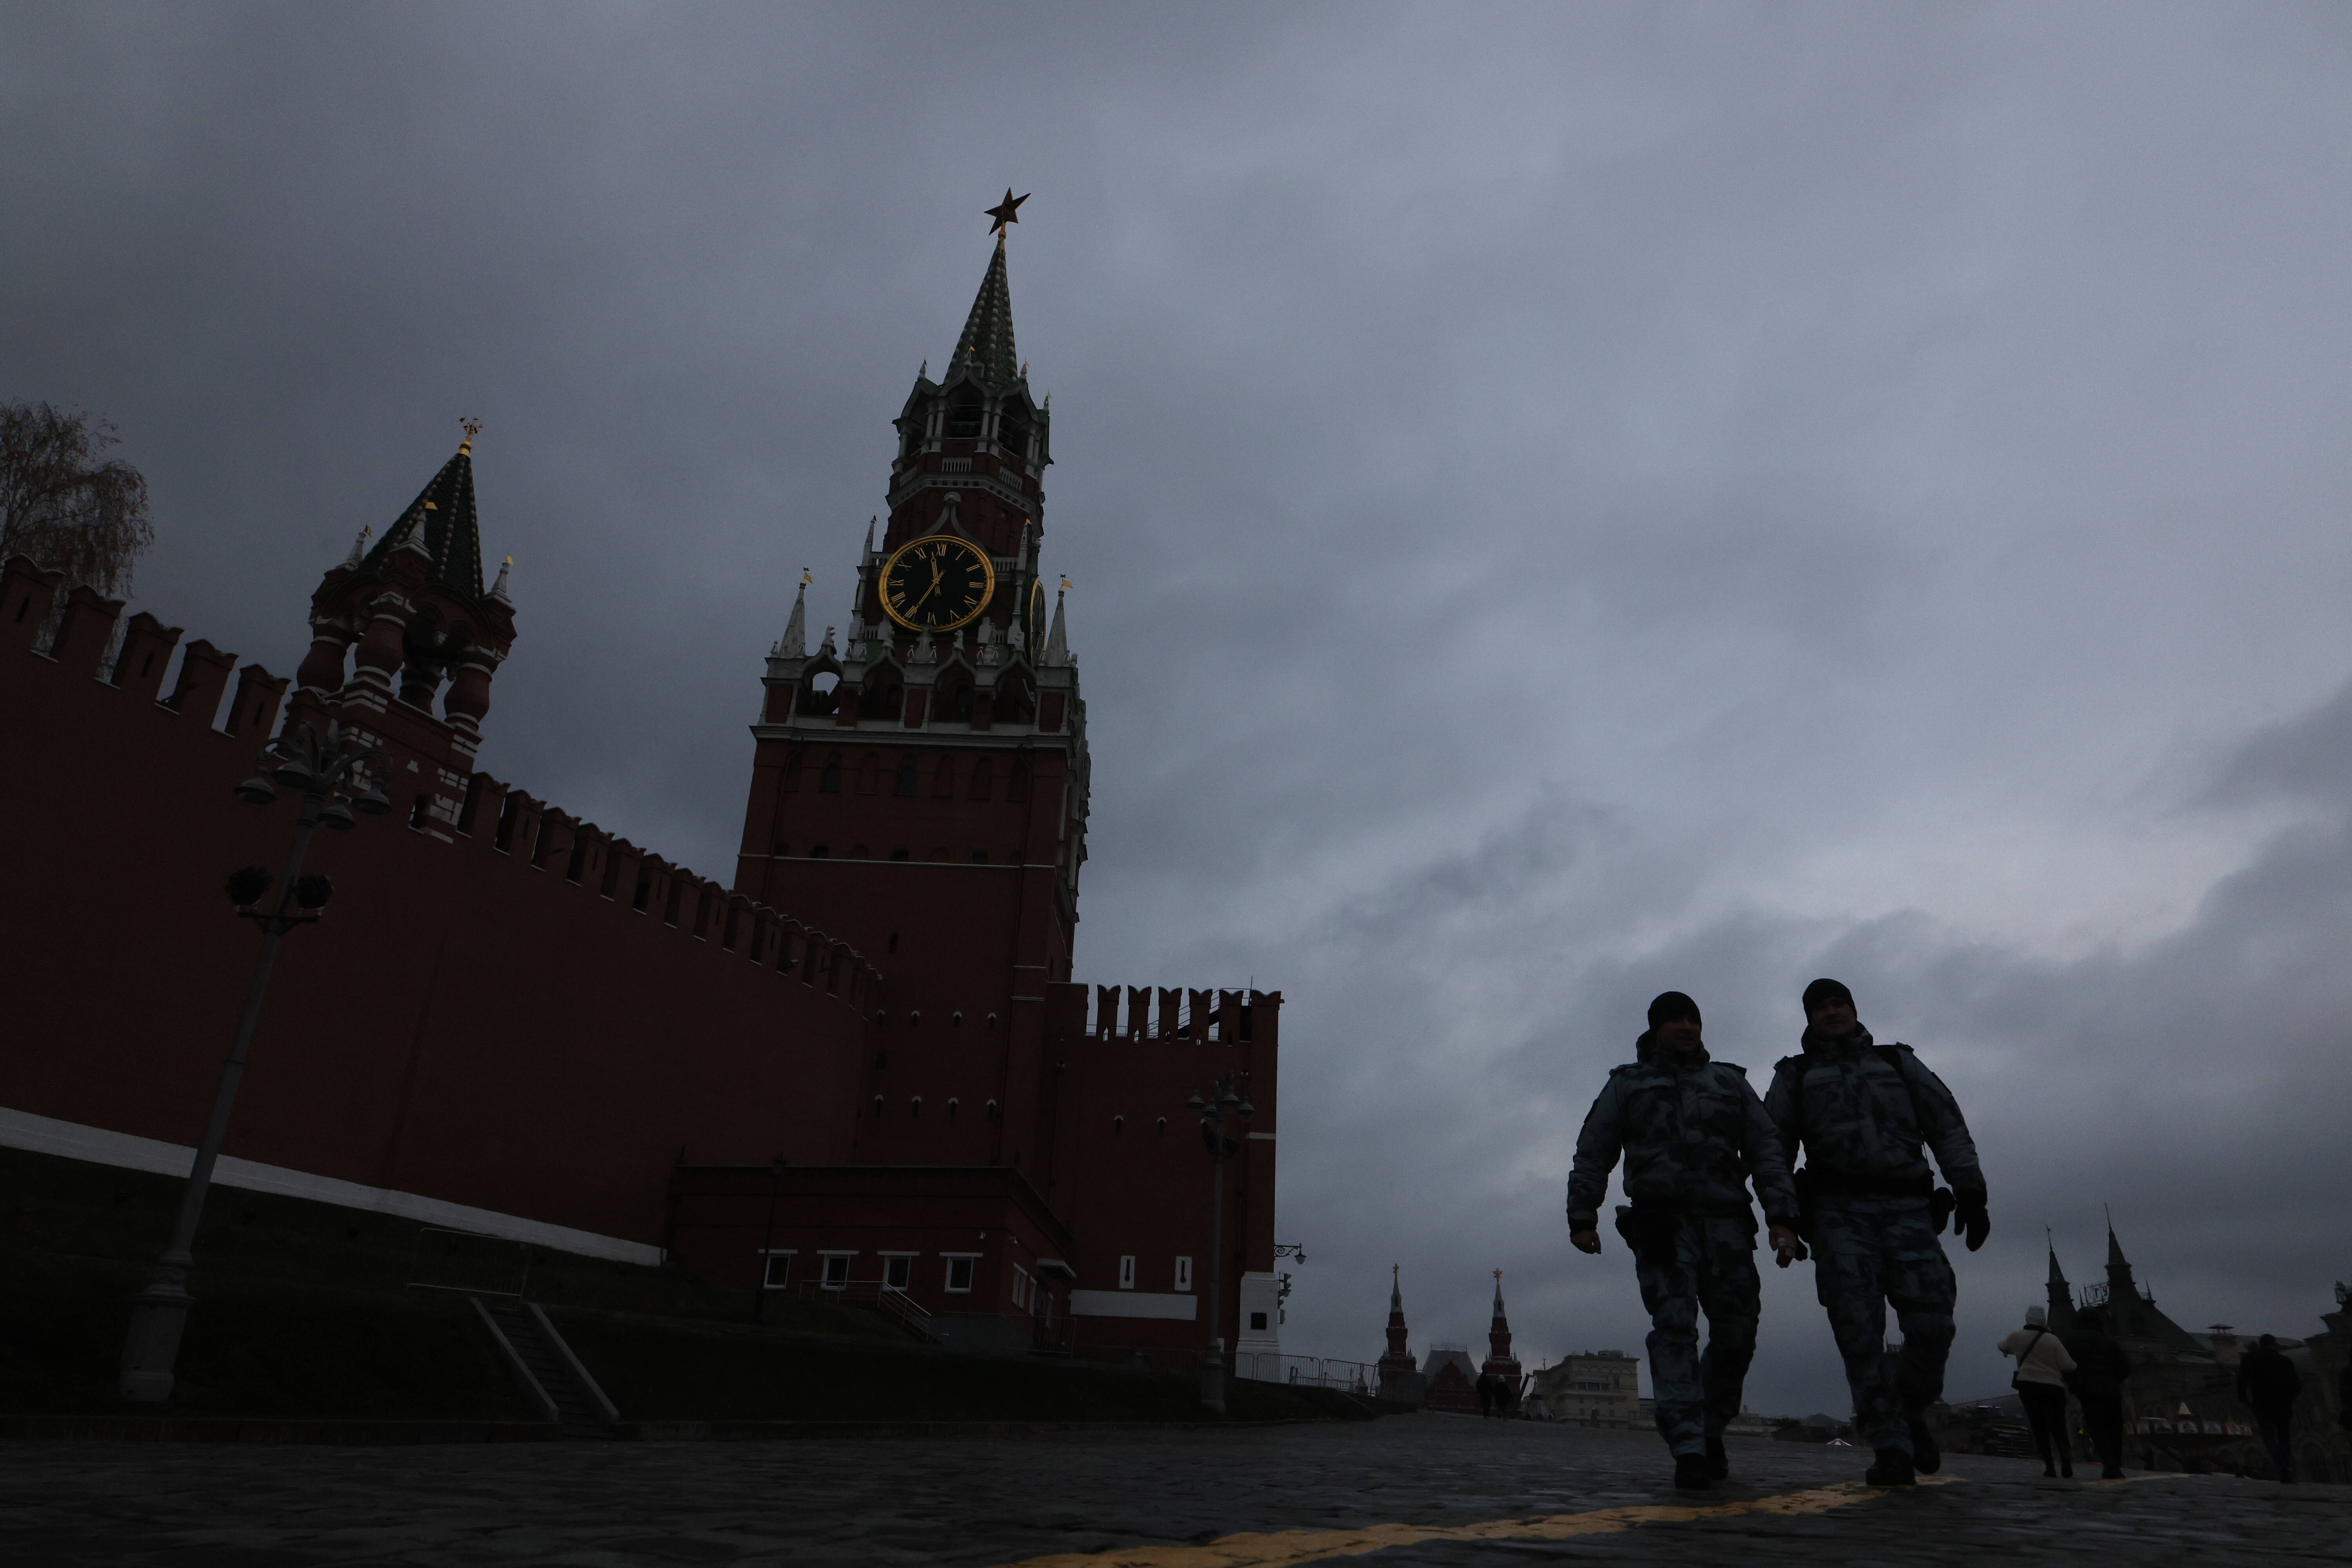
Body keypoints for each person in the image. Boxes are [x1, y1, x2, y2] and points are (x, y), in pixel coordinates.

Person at [1568, 991, 1802, 1492]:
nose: (1686, 1026)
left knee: (1737, 1335)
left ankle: (1710, 1425)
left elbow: (1766, 1150)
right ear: (1655, 1029)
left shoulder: (1730, 1083)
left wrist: (1782, 1215)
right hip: (1662, 1226)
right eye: (1674, 1019)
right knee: (1674, 1329)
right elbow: (1594, 1150)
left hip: (1728, 1225)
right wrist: (1582, 1215)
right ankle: (1689, 1445)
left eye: (1693, 1018)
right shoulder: (1627, 1085)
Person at [1765, 978, 1987, 1489]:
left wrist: (1971, 1192)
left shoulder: (1898, 1064)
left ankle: (1910, 1410)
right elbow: (1772, 1151)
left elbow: (1947, 1126)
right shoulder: (1795, 1077)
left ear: (1854, 1008)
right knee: (1859, 1337)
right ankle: (1889, 1445)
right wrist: (1784, 1217)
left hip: (1908, 1211)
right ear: (1808, 1018)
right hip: (1839, 1218)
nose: (1831, 1013)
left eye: (1838, 1003)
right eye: (1819, 1007)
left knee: (1934, 1328)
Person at [2000, 1305, 2078, 1477]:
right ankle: (2065, 1457)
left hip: (2028, 1387)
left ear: (2027, 1319)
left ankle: (2049, 1466)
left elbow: (2002, 1346)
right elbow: (2068, 1366)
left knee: (2038, 1425)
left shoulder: (2016, 1337)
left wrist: (2008, 1352)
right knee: (2058, 1424)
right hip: (2053, 1388)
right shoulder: (2052, 1340)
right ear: (2043, 1321)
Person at [2057, 1319, 2135, 1479]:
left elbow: (2065, 1366)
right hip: (2111, 1391)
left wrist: (2075, 1386)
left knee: (2096, 1427)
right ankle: (2117, 1463)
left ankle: (2108, 1462)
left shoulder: (2070, 1340)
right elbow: (2126, 1367)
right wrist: (2115, 1382)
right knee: (2115, 1427)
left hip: (2088, 1392)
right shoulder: (2107, 1339)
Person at [2236, 1333, 2302, 1482]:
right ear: (2274, 1344)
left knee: (2269, 1438)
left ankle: (2280, 1464)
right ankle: (2286, 1466)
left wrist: (2244, 1400)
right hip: (2283, 1406)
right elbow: (2297, 1385)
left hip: (2262, 1405)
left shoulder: (2250, 1360)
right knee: (2284, 1438)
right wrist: (2288, 1400)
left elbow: (2241, 1381)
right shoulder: (2285, 1361)